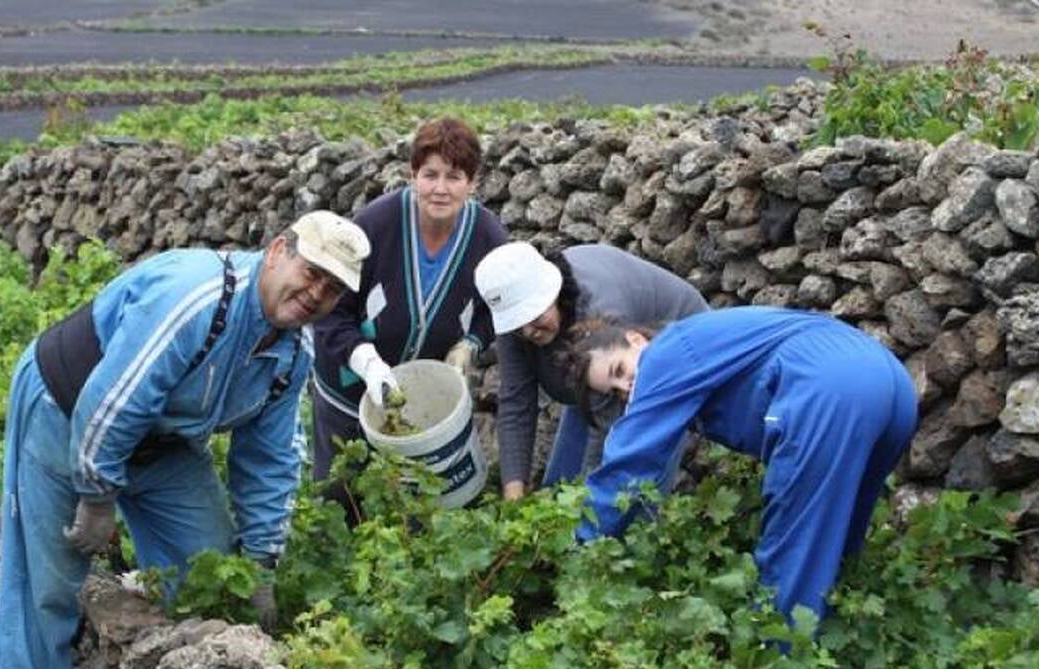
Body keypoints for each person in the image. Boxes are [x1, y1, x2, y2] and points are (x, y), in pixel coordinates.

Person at [0, 210, 371, 669]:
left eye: (333, 288)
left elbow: (271, 459)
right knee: (47, 585)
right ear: (279, 251)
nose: (316, 294)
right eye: (312, 273)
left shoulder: (293, 354)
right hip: (65, 405)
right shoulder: (198, 298)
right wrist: (96, 497)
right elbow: (114, 400)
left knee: (211, 573)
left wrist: (260, 563)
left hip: (165, 438)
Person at [570, 306, 918, 621]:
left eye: (619, 369)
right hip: (890, 383)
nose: (627, 386)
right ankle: (842, 646)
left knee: (793, 552)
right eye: (615, 391)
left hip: (828, 387)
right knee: (839, 538)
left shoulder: (664, 355)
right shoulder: (697, 349)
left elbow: (630, 464)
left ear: (636, 339)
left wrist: (577, 548)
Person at [311, 117, 507, 495]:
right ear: (412, 174)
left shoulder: (487, 236)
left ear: (473, 183)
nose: (440, 189)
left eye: (454, 177)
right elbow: (330, 310)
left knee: (409, 505)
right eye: (430, 175)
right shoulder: (375, 224)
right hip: (348, 391)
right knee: (339, 496)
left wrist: (472, 343)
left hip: (418, 404)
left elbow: (497, 306)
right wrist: (366, 363)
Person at [474, 241, 708, 500]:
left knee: (631, 488)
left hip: (672, 350)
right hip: (595, 374)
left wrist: (590, 505)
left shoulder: (599, 310)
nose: (529, 332)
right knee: (561, 488)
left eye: (535, 319)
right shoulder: (514, 316)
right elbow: (516, 400)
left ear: (554, 294)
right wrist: (513, 494)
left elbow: (608, 429)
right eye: (519, 327)